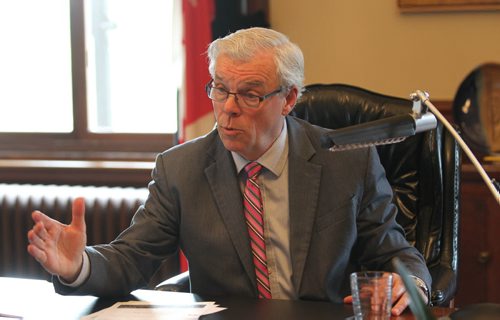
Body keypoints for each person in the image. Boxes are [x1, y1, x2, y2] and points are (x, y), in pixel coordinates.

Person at [27, 27, 431, 316]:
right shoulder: (180, 169)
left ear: (289, 98)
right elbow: (132, 258)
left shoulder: (347, 160)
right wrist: (78, 265)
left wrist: (410, 283)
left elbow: (394, 252)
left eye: (250, 94)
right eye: (220, 89)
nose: (229, 108)